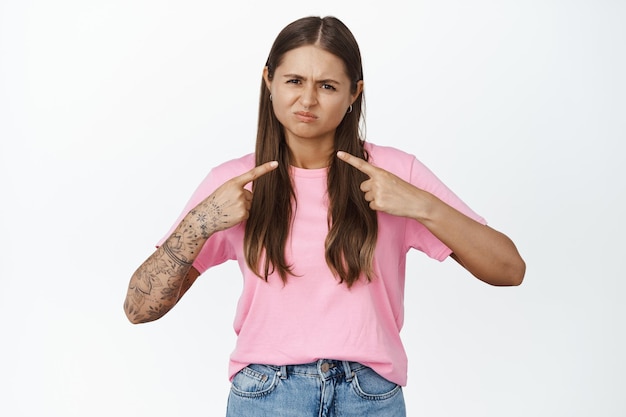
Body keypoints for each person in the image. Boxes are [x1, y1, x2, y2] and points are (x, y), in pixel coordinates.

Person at [123, 15, 525, 417]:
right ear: (269, 81)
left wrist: (421, 204)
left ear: (354, 93)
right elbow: (138, 310)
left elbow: (509, 268)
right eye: (294, 81)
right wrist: (200, 223)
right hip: (267, 395)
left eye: (327, 86)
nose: (308, 100)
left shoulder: (394, 175)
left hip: (369, 397)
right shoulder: (232, 182)